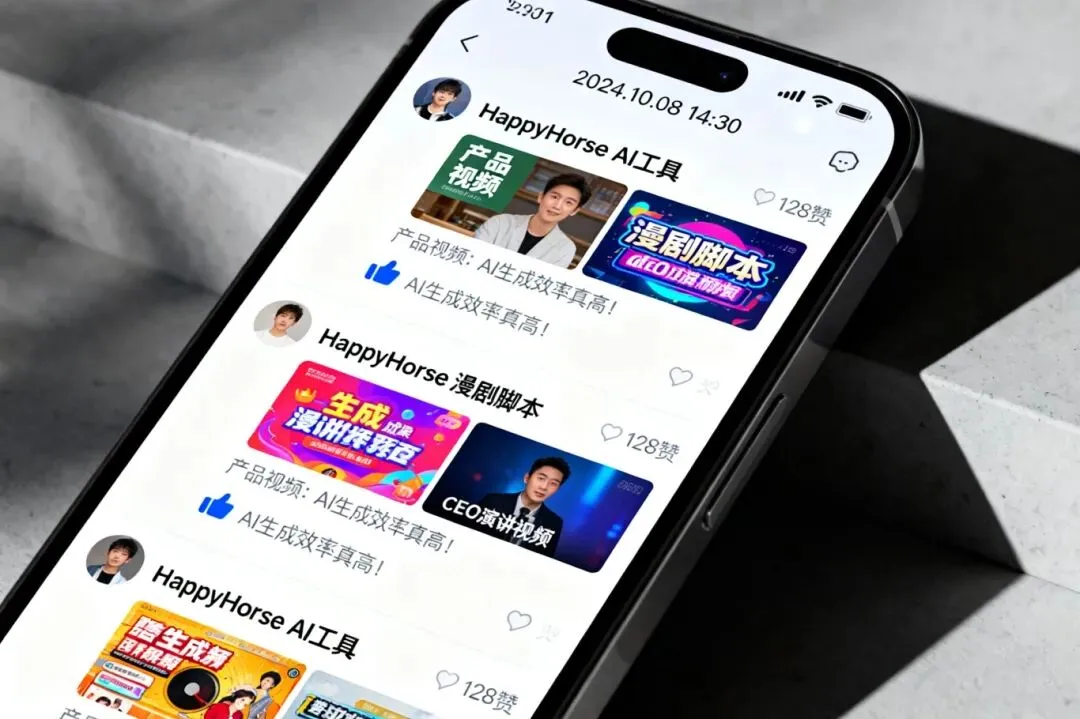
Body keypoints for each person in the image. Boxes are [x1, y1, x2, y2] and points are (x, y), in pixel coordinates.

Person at [472, 174, 591, 269]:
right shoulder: (500, 222)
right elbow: (471, 255)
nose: (557, 206)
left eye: (569, 202)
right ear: (541, 197)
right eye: (554, 197)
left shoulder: (566, 249)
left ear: (574, 211)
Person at [478, 457, 570, 558]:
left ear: (557, 489)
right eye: (541, 478)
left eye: (553, 484)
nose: (544, 487)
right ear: (527, 478)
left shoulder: (554, 523)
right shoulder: (493, 501)